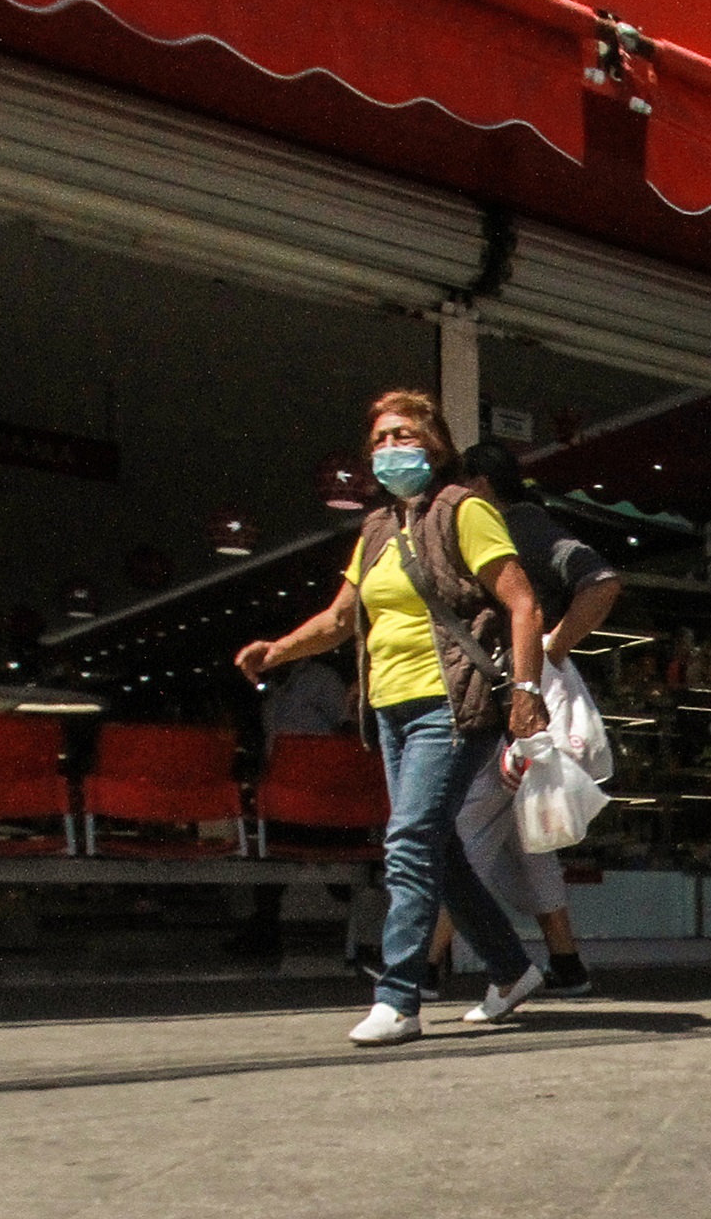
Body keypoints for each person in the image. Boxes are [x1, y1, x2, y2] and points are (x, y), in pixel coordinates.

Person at [234, 391, 551, 1042]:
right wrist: (279, 650)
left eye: (402, 435)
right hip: (390, 709)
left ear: (434, 447)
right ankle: (512, 968)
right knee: (434, 844)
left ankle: (399, 995)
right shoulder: (377, 529)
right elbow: (342, 618)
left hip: (453, 702)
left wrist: (525, 689)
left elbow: (524, 604)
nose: (388, 448)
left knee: (408, 839)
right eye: (378, 439)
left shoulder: (465, 511)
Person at [426, 441, 621, 996]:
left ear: (481, 485)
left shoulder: (520, 529)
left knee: (461, 828)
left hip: (517, 696)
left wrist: (554, 646)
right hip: (532, 695)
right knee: (530, 834)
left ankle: (422, 965)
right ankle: (567, 964)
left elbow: (601, 580)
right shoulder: (521, 526)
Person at [225, 655, 350, 961]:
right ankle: (264, 933)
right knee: (271, 863)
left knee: (342, 876)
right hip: (284, 793)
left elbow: (347, 725)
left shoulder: (321, 679)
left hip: (323, 791)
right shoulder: (272, 688)